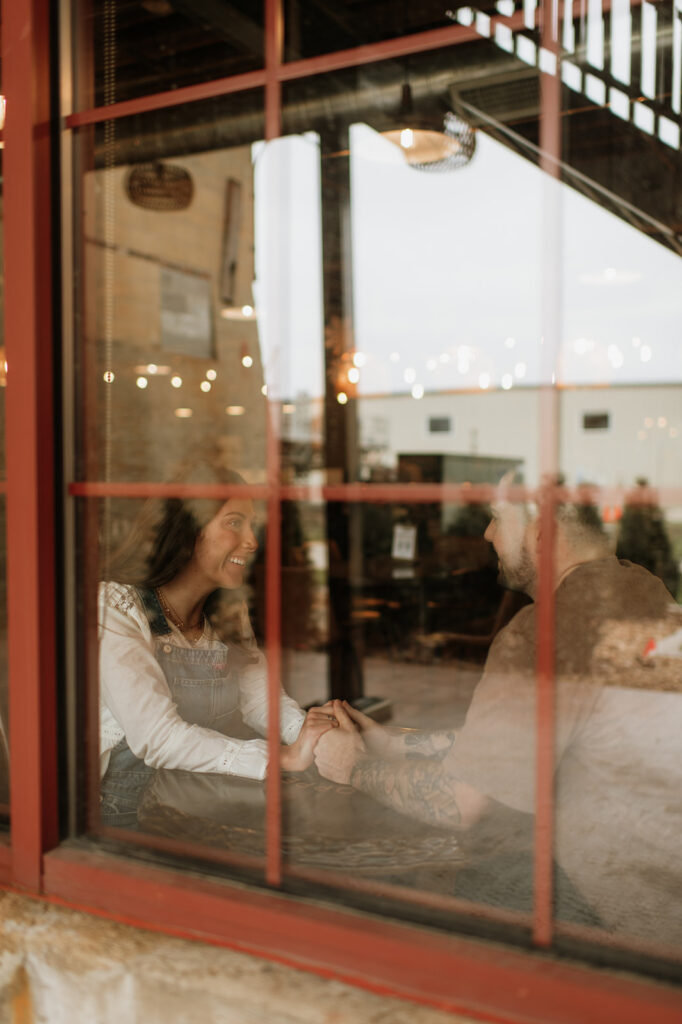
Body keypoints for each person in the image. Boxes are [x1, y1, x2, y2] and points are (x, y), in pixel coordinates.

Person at [314, 473, 682, 946]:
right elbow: (529, 743)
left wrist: (355, 766)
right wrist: (392, 743)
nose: (487, 534)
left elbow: (463, 801)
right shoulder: (642, 587)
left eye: (496, 518)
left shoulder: (541, 632)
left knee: (393, 895)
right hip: (662, 886)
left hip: (610, 911)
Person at [99, 466, 336, 829]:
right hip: (125, 814)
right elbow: (156, 737)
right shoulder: (117, 606)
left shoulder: (227, 611)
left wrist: (316, 736)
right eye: (234, 523)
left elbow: (261, 702)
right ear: (189, 529)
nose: (252, 541)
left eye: (251, 525)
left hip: (200, 802)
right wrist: (283, 757)